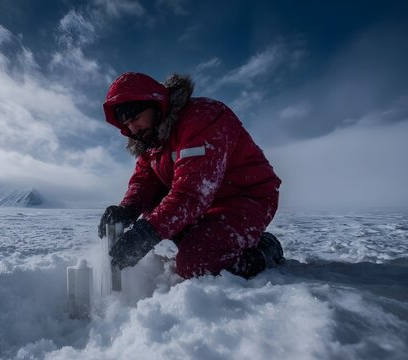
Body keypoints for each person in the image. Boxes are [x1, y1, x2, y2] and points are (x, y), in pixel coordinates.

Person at [98, 72, 284, 279]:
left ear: (155, 104)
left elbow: (193, 192)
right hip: (205, 204)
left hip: (245, 197)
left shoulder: (203, 117)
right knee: (153, 212)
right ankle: (213, 239)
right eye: (127, 125)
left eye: (135, 119)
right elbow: (144, 182)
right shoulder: (152, 140)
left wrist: (146, 233)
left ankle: (266, 249)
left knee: (196, 263)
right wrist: (127, 209)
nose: (133, 129)